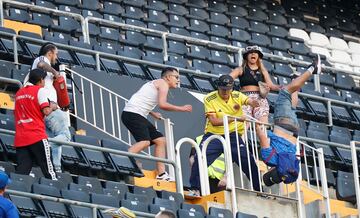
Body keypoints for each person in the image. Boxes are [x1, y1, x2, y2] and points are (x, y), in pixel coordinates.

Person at [189, 75, 261, 195]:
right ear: (218, 87)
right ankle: (195, 188)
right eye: (223, 89)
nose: (226, 92)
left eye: (228, 89)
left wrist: (255, 102)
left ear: (232, 88)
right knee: (200, 158)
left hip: (233, 135)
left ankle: (259, 190)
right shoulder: (209, 98)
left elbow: (250, 101)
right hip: (214, 134)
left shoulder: (237, 95)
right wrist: (236, 118)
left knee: (248, 161)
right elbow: (214, 121)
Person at [256, 55, 322, 186]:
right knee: (286, 92)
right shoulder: (268, 159)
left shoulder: (289, 163)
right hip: (282, 124)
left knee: (291, 105)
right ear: (269, 172)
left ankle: (294, 78)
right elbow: (261, 133)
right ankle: (312, 69)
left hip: (295, 129)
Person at [121, 67, 192, 181]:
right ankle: (122, 160)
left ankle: (161, 174)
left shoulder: (157, 83)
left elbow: (140, 99)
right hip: (132, 114)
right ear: (168, 77)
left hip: (136, 114)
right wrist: (182, 108)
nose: (178, 80)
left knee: (160, 140)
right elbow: (162, 104)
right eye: (176, 77)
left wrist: (152, 113)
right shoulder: (163, 83)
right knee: (144, 141)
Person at [25, 42, 71, 173]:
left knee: (57, 139)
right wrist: (56, 72)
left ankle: (57, 168)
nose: (56, 57)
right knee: (65, 135)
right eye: (56, 54)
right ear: (49, 53)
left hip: (46, 108)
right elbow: (41, 64)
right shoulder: (42, 59)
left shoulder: (47, 69)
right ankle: (40, 146)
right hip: (47, 106)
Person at [14, 69, 57, 180]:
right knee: (49, 172)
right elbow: (46, 111)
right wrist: (52, 106)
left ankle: (16, 195)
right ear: (41, 80)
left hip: (21, 138)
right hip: (36, 136)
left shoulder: (18, 93)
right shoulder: (40, 91)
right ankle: (57, 193)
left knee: (21, 175)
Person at [230, 45, 280, 125]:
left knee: (262, 125)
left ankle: (264, 137)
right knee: (243, 124)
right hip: (245, 97)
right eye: (250, 53)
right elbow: (229, 78)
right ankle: (241, 138)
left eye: (255, 53)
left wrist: (281, 87)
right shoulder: (241, 69)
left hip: (260, 98)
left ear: (259, 56)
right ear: (246, 56)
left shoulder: (263, 71)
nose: (253, 54)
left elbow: (271, 85)